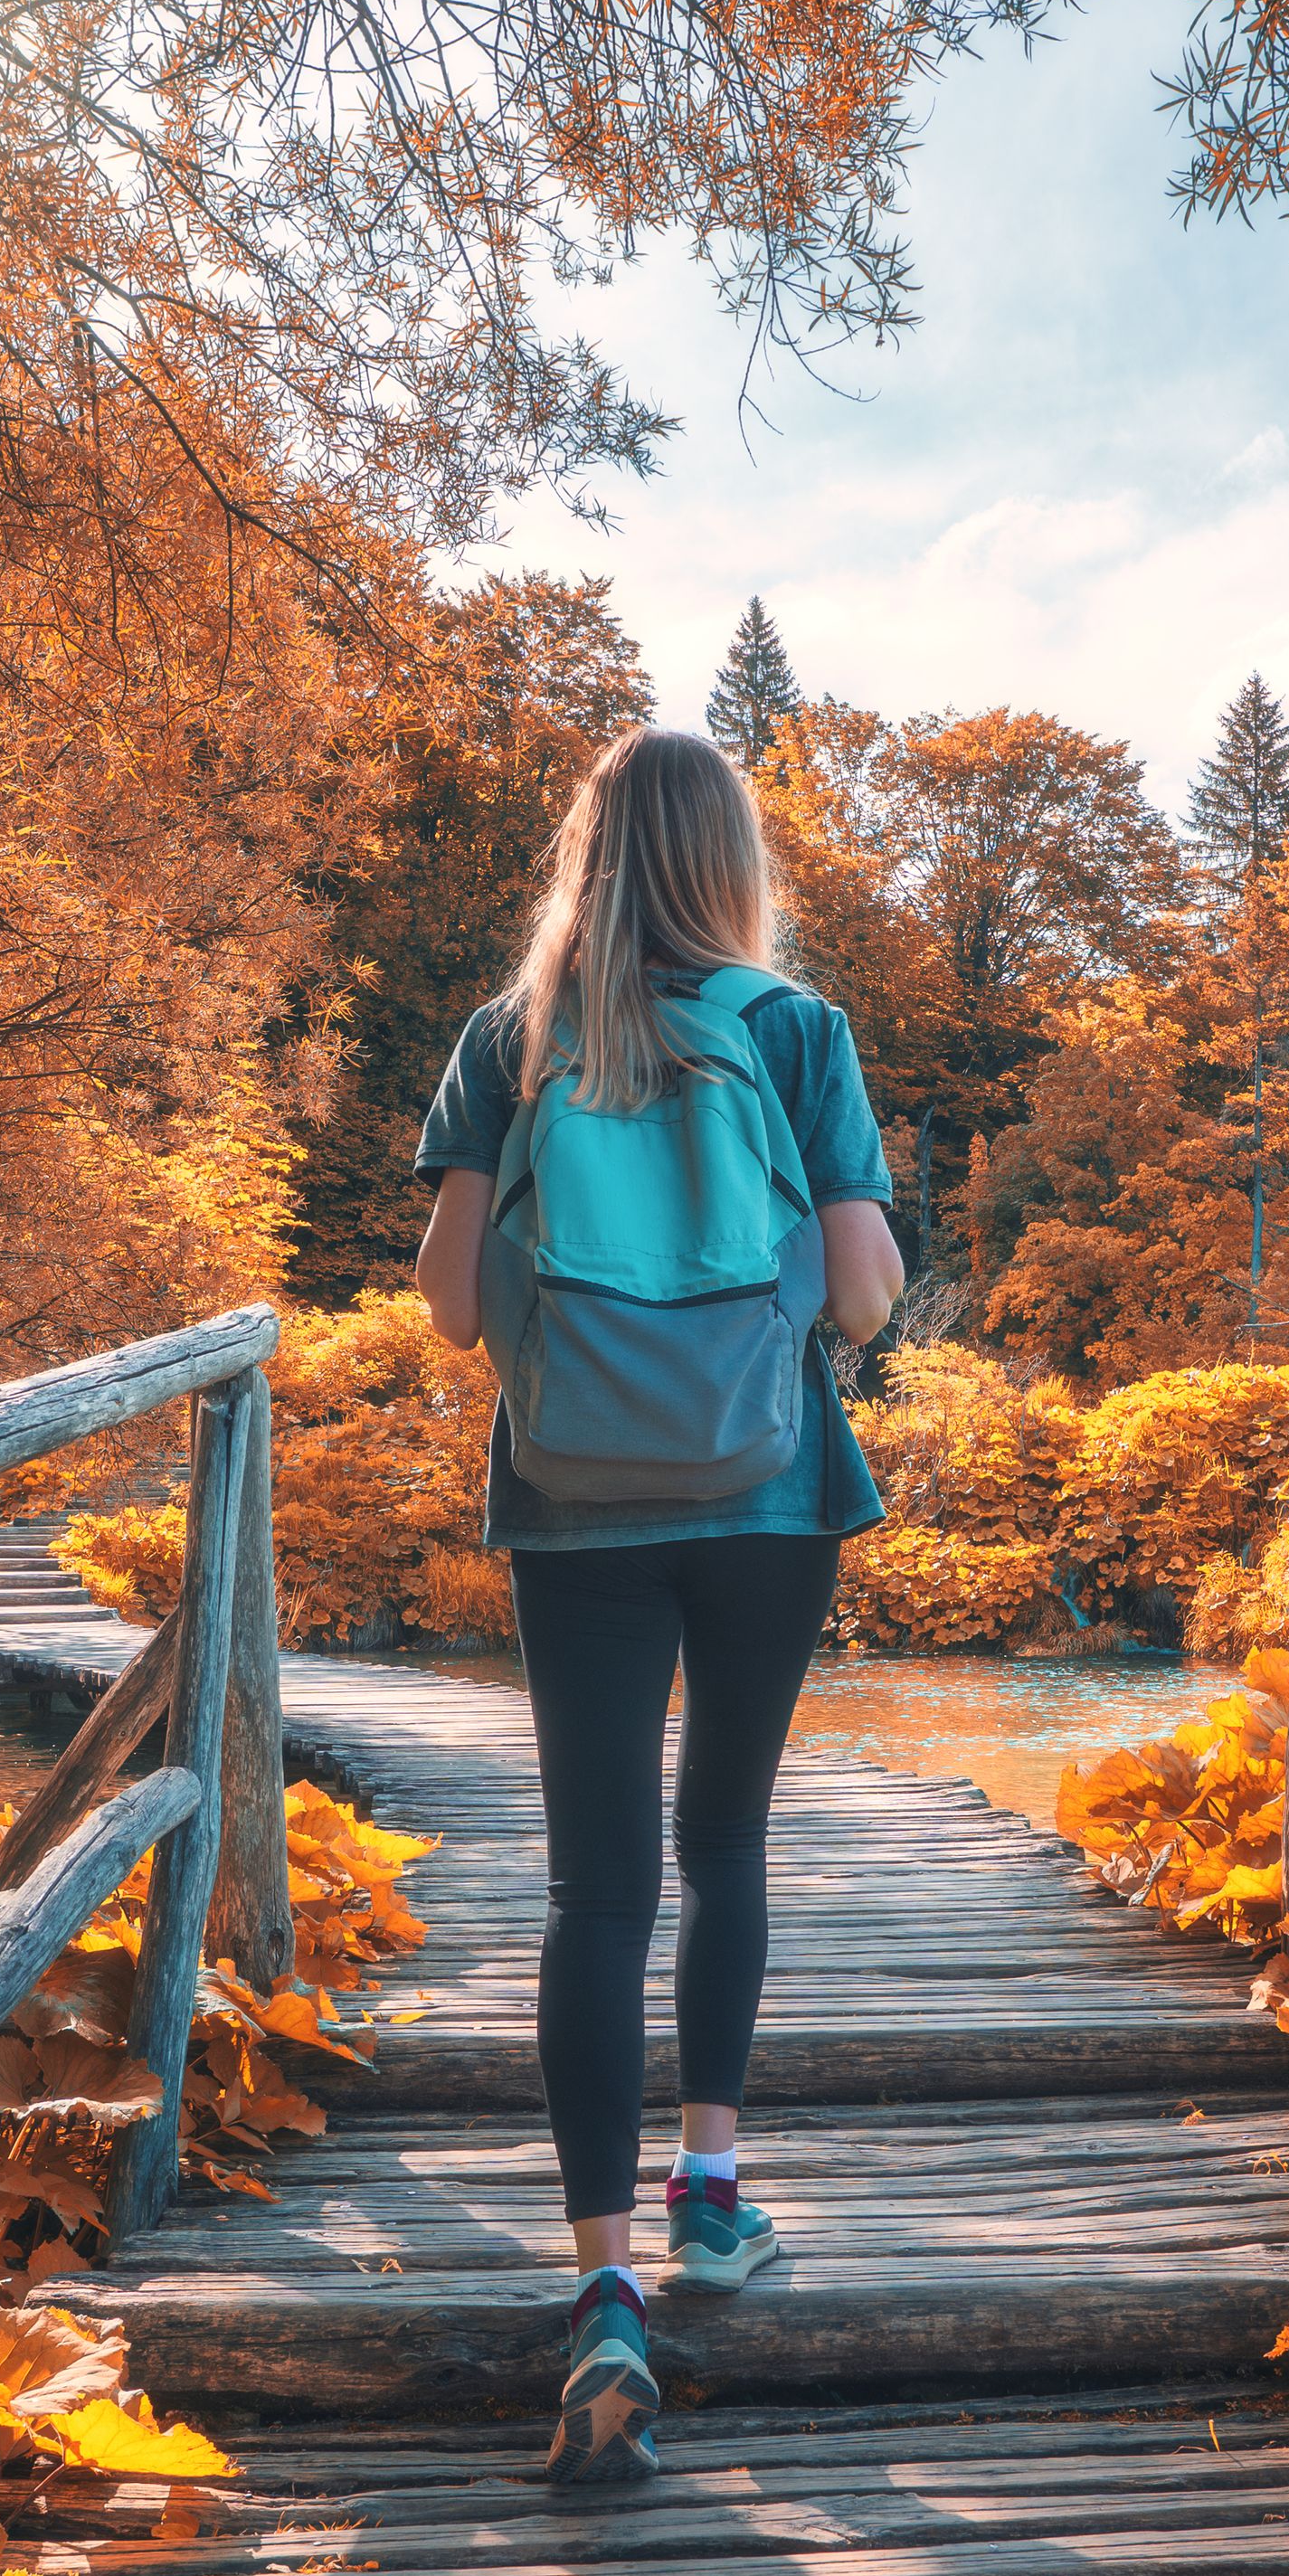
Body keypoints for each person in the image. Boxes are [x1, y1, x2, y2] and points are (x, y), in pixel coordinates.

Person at [414, 726, 908, 2484]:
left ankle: (603, 2293)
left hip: (572, 1501)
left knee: (592, 1885)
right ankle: (712, 2196)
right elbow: (858, 1299)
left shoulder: (509, 1038)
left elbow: (453, 1312)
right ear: (730, 863)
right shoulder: (794, 1032)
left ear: (586, 850)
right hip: (769, 1493)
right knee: (728, 1847)